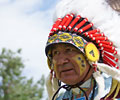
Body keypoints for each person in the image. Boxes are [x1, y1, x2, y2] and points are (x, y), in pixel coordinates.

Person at [45, 0, 120, 100]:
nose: (61, 61)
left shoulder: (114, 94)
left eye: (69, 50)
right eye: (55, 53)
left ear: (91, 54)